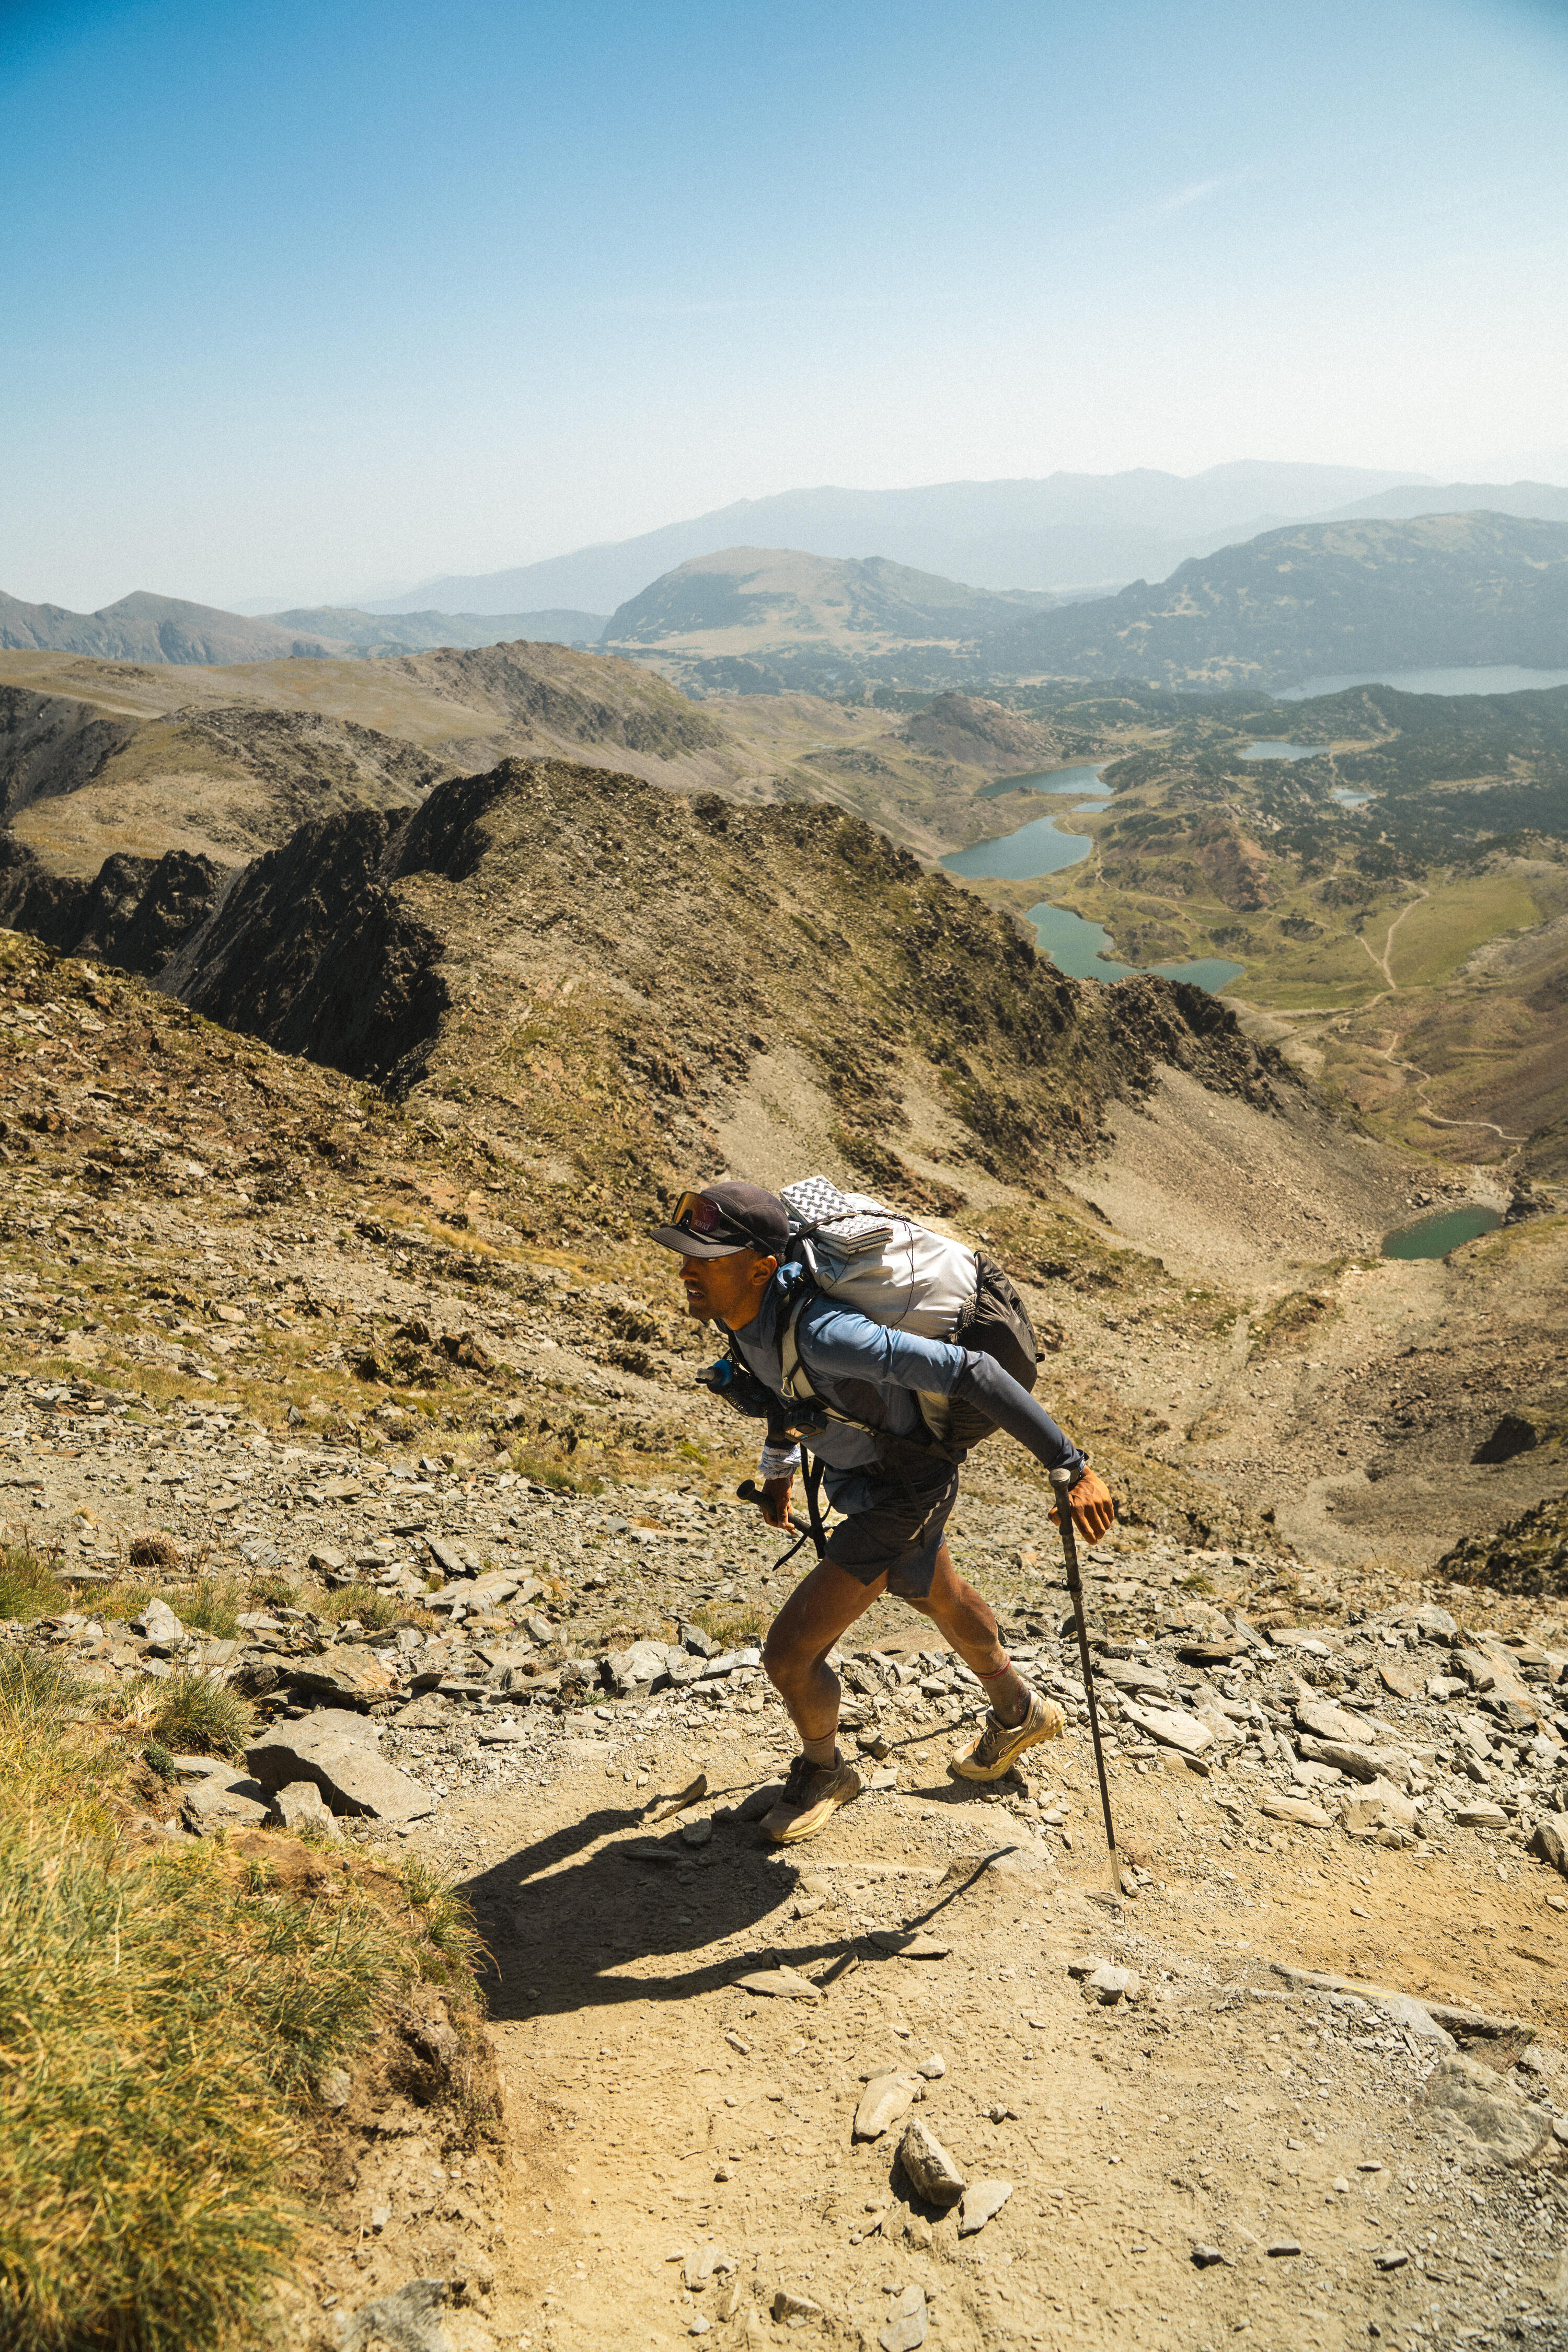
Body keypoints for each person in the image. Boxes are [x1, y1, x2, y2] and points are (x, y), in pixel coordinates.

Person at [652, 1181, 1116, 1844]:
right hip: (862, 1480)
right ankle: (1020, 1712)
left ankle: (825, 1771)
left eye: (705, 1258)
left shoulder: (828, 1333)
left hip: (903, 1490)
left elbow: (975, 1373)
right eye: (686, 1254)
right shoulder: (743, 1314)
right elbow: (781, 1390)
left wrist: (1071, 1467)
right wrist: (780, 1470)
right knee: (937, 1593)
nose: (686, 1269)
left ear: (761, 1267)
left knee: (788, 1656)